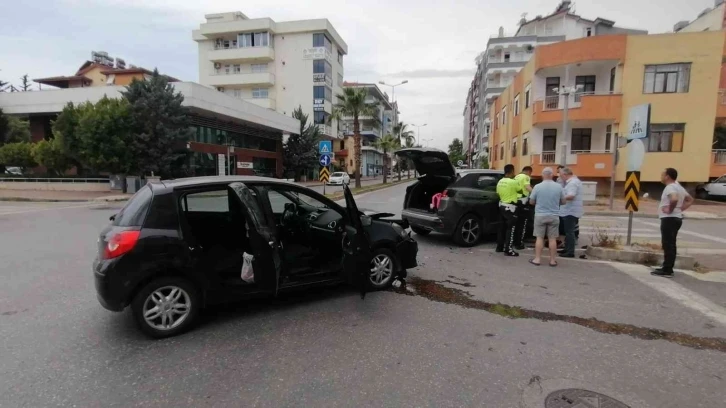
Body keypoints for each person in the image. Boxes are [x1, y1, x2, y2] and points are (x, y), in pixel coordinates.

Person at [652, 168, 694, 278]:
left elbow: (674, 199)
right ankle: (667, 267)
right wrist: (680, 210)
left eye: (663, 174)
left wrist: (670, 210)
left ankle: (667, 270)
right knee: (671, 244)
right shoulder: (678, 187)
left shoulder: (670, 187)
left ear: (667, 176)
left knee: (668, 244)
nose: (661, 176)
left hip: (669, 218)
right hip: (676, 218)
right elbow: (690, 199)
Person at [528, 167, 566, 267]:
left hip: (540, 215)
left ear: (542, 175)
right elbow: (563, 201)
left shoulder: (537, 187)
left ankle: (537, 259)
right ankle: (552, 261)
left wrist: (539, 202)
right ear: (552, 175)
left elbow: (531, 201)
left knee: (539, 238)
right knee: (552, 239)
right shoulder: (558, 187)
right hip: (554, 215)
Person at [496, 164, 523, 256]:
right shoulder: (513, 182)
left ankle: (499, 247)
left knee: (501, 228)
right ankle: (508, 249)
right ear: (512, 171)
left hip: (501, 205)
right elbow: (520, 191)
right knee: (510, 229)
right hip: (510, 208)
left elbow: (498, 193)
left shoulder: (500, 181)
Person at [558, 167, 583, 258]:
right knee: (568, 231)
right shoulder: (573, 182)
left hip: (570, 211)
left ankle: (570, 251)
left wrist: (560, 199)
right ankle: (567, 249)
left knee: (569, 232)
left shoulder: (572, 183)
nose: (561, 178)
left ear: (565, 174)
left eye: (561, 176)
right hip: (568, 210)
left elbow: (571, 196)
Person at [513, 166, 533, 250]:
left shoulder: (516, 176)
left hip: (515, 201)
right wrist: (535, 192)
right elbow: (528, 187)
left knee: (515, 223)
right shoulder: (526, 177)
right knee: (522, 224)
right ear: (529, 171)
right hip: (523, 202)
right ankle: (519, 243)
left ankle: (514, 241)